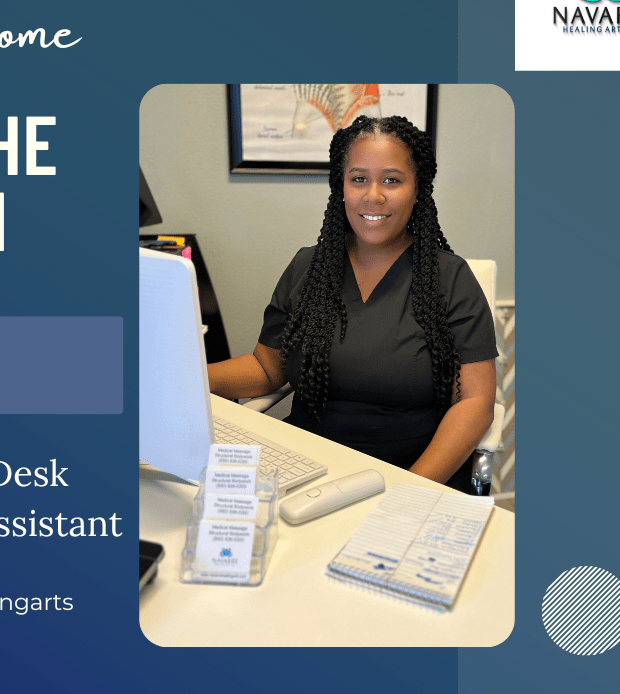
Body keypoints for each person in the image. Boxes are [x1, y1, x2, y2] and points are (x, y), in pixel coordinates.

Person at [208, 115, 498, 493]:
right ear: (340, 187)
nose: (373, 195)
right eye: (359, 178)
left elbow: (475, 402)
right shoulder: (308, 266)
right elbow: (268, 368)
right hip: (308, 468)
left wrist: (408, 489)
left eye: (392, 180)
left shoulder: (451, 279)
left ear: (417, 190)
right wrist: (183, 377)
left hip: (410, 473)